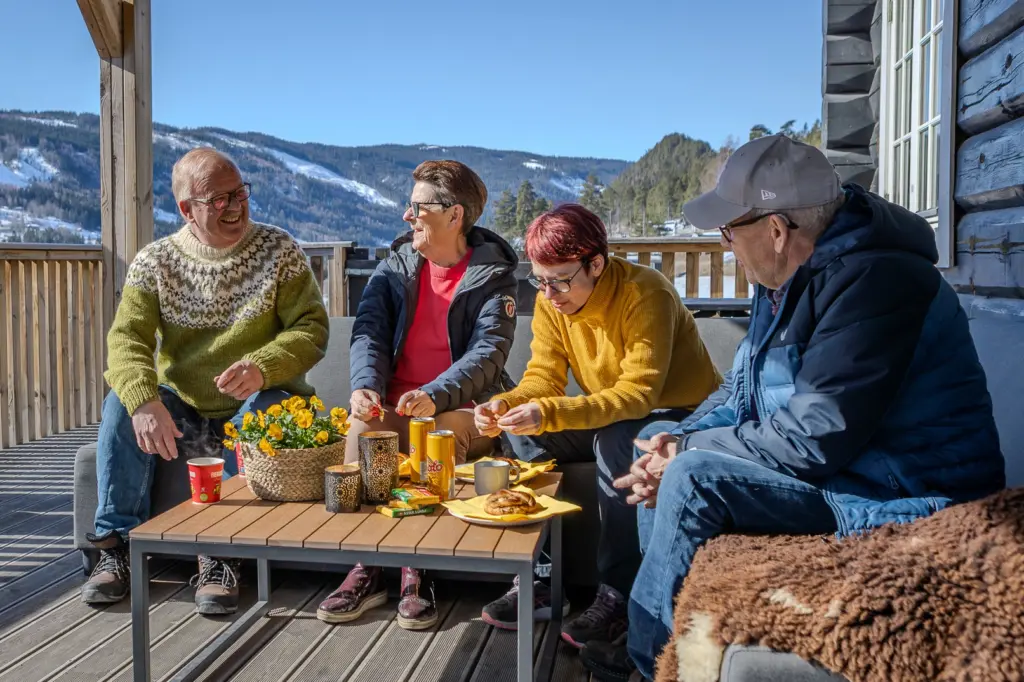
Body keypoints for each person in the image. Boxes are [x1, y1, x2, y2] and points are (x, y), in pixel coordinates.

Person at [577, 134, 1006, 682]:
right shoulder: (783, 279)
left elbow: (815, 434)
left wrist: (685, 451)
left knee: (691, 475)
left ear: (776, 231)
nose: (727, 244)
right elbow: (739, 395)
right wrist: (674, 437)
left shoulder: (879, 281)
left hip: (910, 493)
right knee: (655, 437)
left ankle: (647, 663)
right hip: (848, 471)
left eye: (731, 231)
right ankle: (660, 634)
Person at [81, 148, 330, 615]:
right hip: (184, 405)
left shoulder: (279, 250)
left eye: (240, 193)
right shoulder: (154, 262)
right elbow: (126, 339)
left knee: (269, 409)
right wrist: (142, 399)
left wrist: (263, 365)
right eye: (219, 199)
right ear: (186, 209)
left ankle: (222, 555)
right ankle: (114, 548)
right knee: (120, 402)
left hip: (261, 396)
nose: (236, 206)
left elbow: (312, 329)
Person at [473, 204, 722, 649]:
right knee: (520, 433)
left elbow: (639, 395)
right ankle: (546, 579)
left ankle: (620, 597)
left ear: (596, 264)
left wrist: (549, 412)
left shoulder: (646, 294)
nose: (548, 293)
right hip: (609, 410)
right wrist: (504, 404)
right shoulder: (555, 301)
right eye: (540, 280)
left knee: (618, 439)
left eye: (560, 280)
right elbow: (543, 379)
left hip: (682, 415)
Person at [316, 160, 519, 630]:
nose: (407, 217)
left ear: (455, 216)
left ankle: (417, 571)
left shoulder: (494, 277)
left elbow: (489, 354)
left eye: (418, 207)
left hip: (463, 407)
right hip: (396, 401)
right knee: (364, 433)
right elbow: (368, 332)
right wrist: (365, 386)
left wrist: (435, 393)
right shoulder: (396, 266)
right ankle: (367, 567)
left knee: (438, 436)